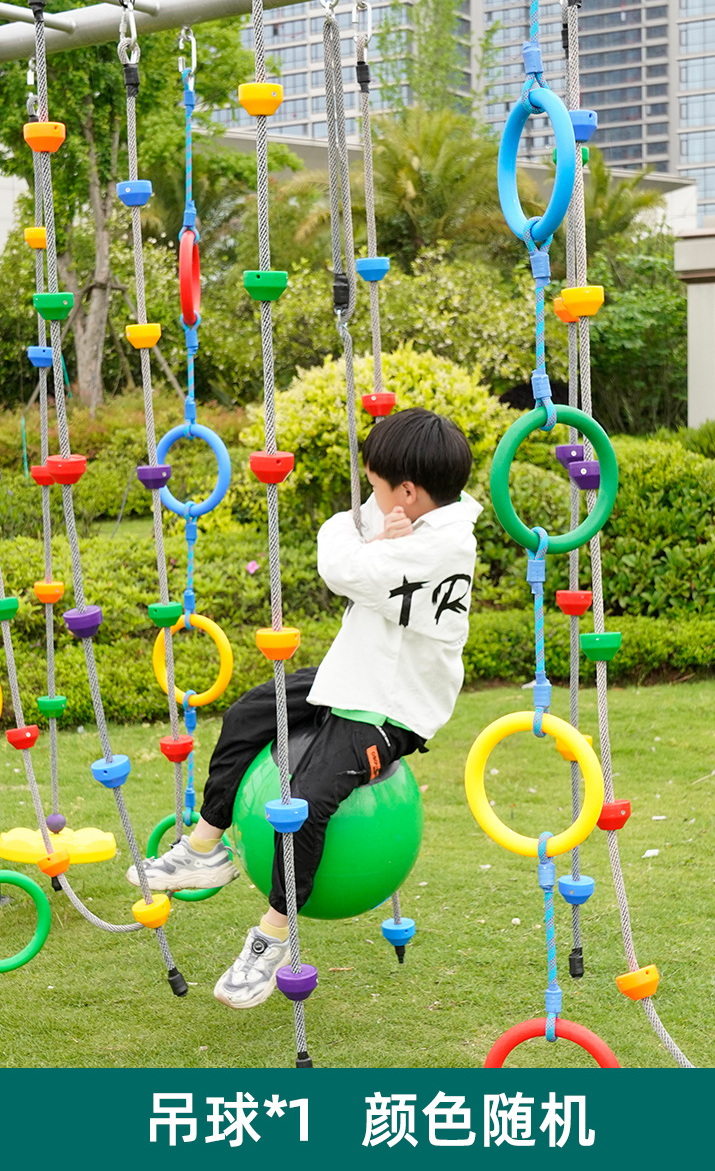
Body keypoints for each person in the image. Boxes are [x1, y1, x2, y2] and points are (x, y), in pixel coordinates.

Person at [128, 407, 481, 1008]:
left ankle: (273, 937)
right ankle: (206, 846)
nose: (370, 498)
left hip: (392, 710)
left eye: (377, 486)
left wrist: (365, 541)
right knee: (245, 716)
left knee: (306, 801)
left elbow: (338, 558)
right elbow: (356, 526)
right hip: (352, 675)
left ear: (410, 492)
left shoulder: (442, 545)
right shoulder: (412, 510)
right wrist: (367, 532)